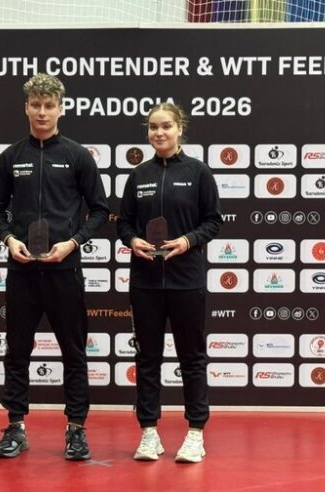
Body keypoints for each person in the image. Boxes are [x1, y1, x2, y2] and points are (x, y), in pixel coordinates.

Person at [0, 73, 109, 460]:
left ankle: (76, 430)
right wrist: (10, 240)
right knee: (17, 351)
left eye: (49, 105)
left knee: (73, 352)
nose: (42, 112)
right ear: (26, 108)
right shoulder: (11, 157)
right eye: (36, 105)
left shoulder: (77, 156)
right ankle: (15, 427)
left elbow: (100, 210)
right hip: (22, 272)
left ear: (61, 109)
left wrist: (72, 243)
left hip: (64, 271)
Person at [117, 103, 222, 463]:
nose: (158, 133)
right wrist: (132, 240)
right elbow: (123, 223)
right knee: (147, 358)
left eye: (165, 126)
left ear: (179, 129)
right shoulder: (138, 175)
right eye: (152, 127)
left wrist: (187, 241)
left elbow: (213, 221)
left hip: (186, 281)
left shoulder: (198, 172)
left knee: (191, 357)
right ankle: (149, 433)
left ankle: (195, 433)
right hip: (145, 282)